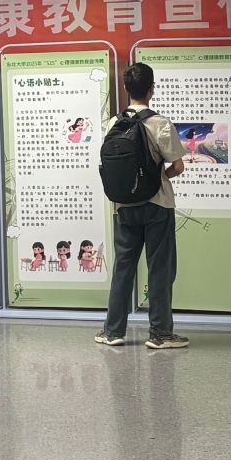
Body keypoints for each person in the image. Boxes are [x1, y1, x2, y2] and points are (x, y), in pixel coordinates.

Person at [95, 62, 188, 350]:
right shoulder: (160, 124)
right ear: (152, 89)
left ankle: (113, 331)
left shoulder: (113, 123)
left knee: (123, 267)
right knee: (160, 269)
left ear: (126, 88)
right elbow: (178, 166)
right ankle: (160, 333)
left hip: (123, 206)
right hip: (157, 204)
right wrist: (158, 177)